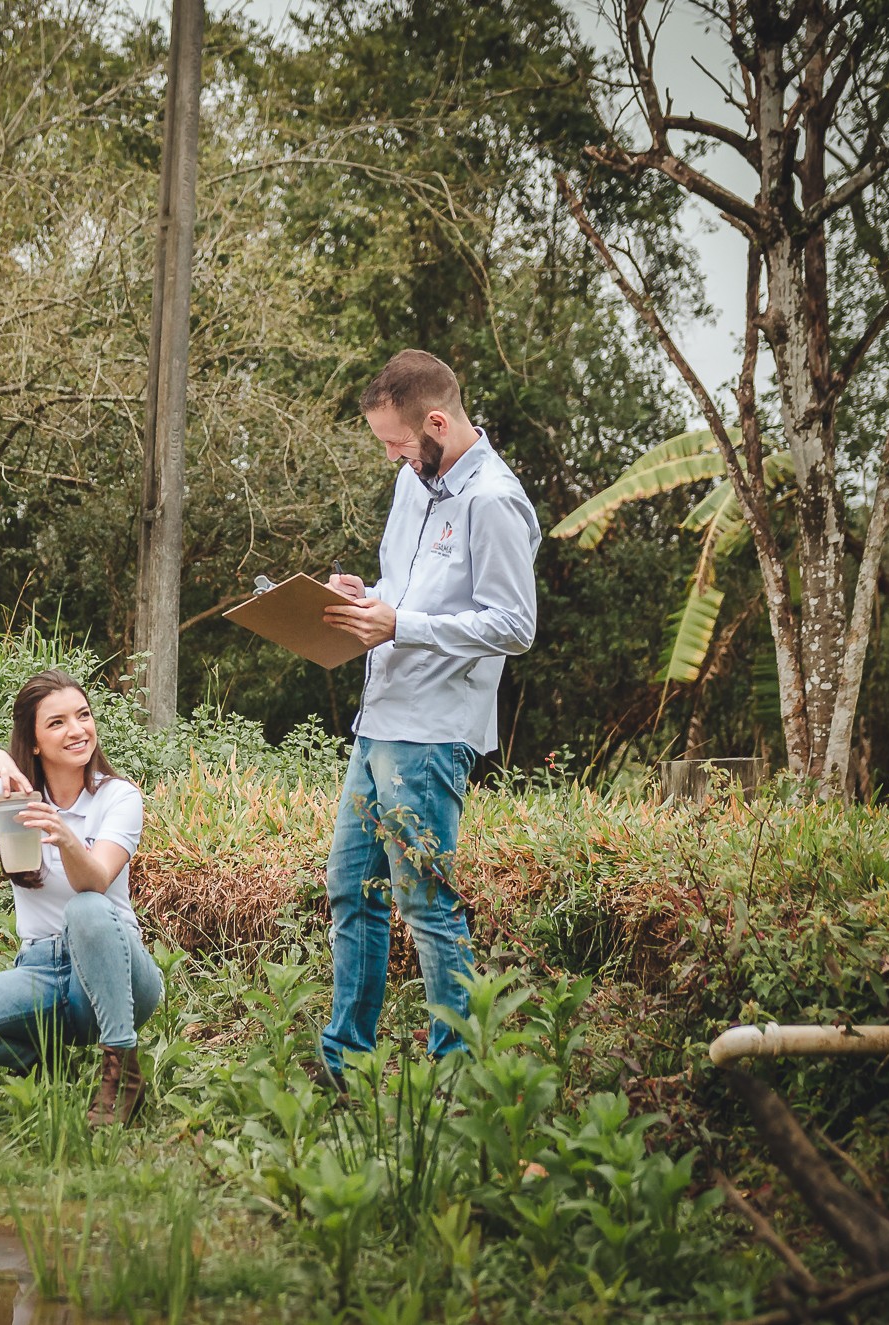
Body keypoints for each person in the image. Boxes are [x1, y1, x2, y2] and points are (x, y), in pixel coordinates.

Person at [314, 349, 540, 1083]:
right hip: (379, 715)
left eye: (398, 442)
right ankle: (345, 1061)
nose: (393, 456)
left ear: (437, 422)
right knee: (352, 887)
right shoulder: (416, 482)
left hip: (435, 730)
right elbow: (404, 589)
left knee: (426, 902)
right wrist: (364, 596)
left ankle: (460, 1075)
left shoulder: (495, 501)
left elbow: (514, 624)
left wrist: (401, 624)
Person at [0, 669, 162, 1126]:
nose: (77, 730)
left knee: (87, 907)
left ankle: (122, 1070)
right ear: (32, 742)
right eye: (57, 723)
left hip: (121, 974)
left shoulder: (118, 797)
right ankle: (43, 1061)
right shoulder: (18, 807)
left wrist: (66, 837)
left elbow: (96, 880)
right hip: (43, 970)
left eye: (83, 716)